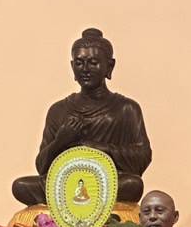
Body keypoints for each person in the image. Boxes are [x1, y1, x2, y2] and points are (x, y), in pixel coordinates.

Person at [11, 27, 152, 206]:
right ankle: (79, 200)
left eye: (93, 63)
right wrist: (60, 141)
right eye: (79, 63)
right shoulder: (58, 110)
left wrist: (96, 148)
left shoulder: (126, 108)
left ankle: (80, 200)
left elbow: (142, 156)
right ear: (72, 66)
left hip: (106, 181)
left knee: (133, 184)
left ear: (109, 66)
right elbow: (41, 166)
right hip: (66, 181)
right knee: (20, 186)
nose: (85, 69)